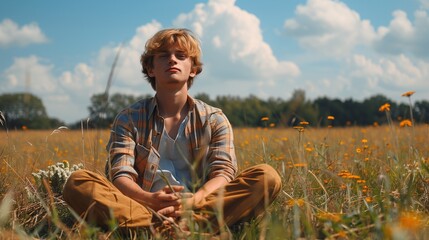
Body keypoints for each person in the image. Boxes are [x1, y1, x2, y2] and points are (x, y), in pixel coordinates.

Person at [63, 28, 282, 235]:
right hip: (143, 208)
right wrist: (150, 200)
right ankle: (183, 232)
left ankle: (163, 231)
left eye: (181, 55)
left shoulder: (215, 119)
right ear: (151, 68)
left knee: (267, 177)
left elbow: (223, 173)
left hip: (201, 206)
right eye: (163, 55)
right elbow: (120, 174)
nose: (172, 60)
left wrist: (194, 201)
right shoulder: (129, 117)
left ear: (193, 69)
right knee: (78, 182)